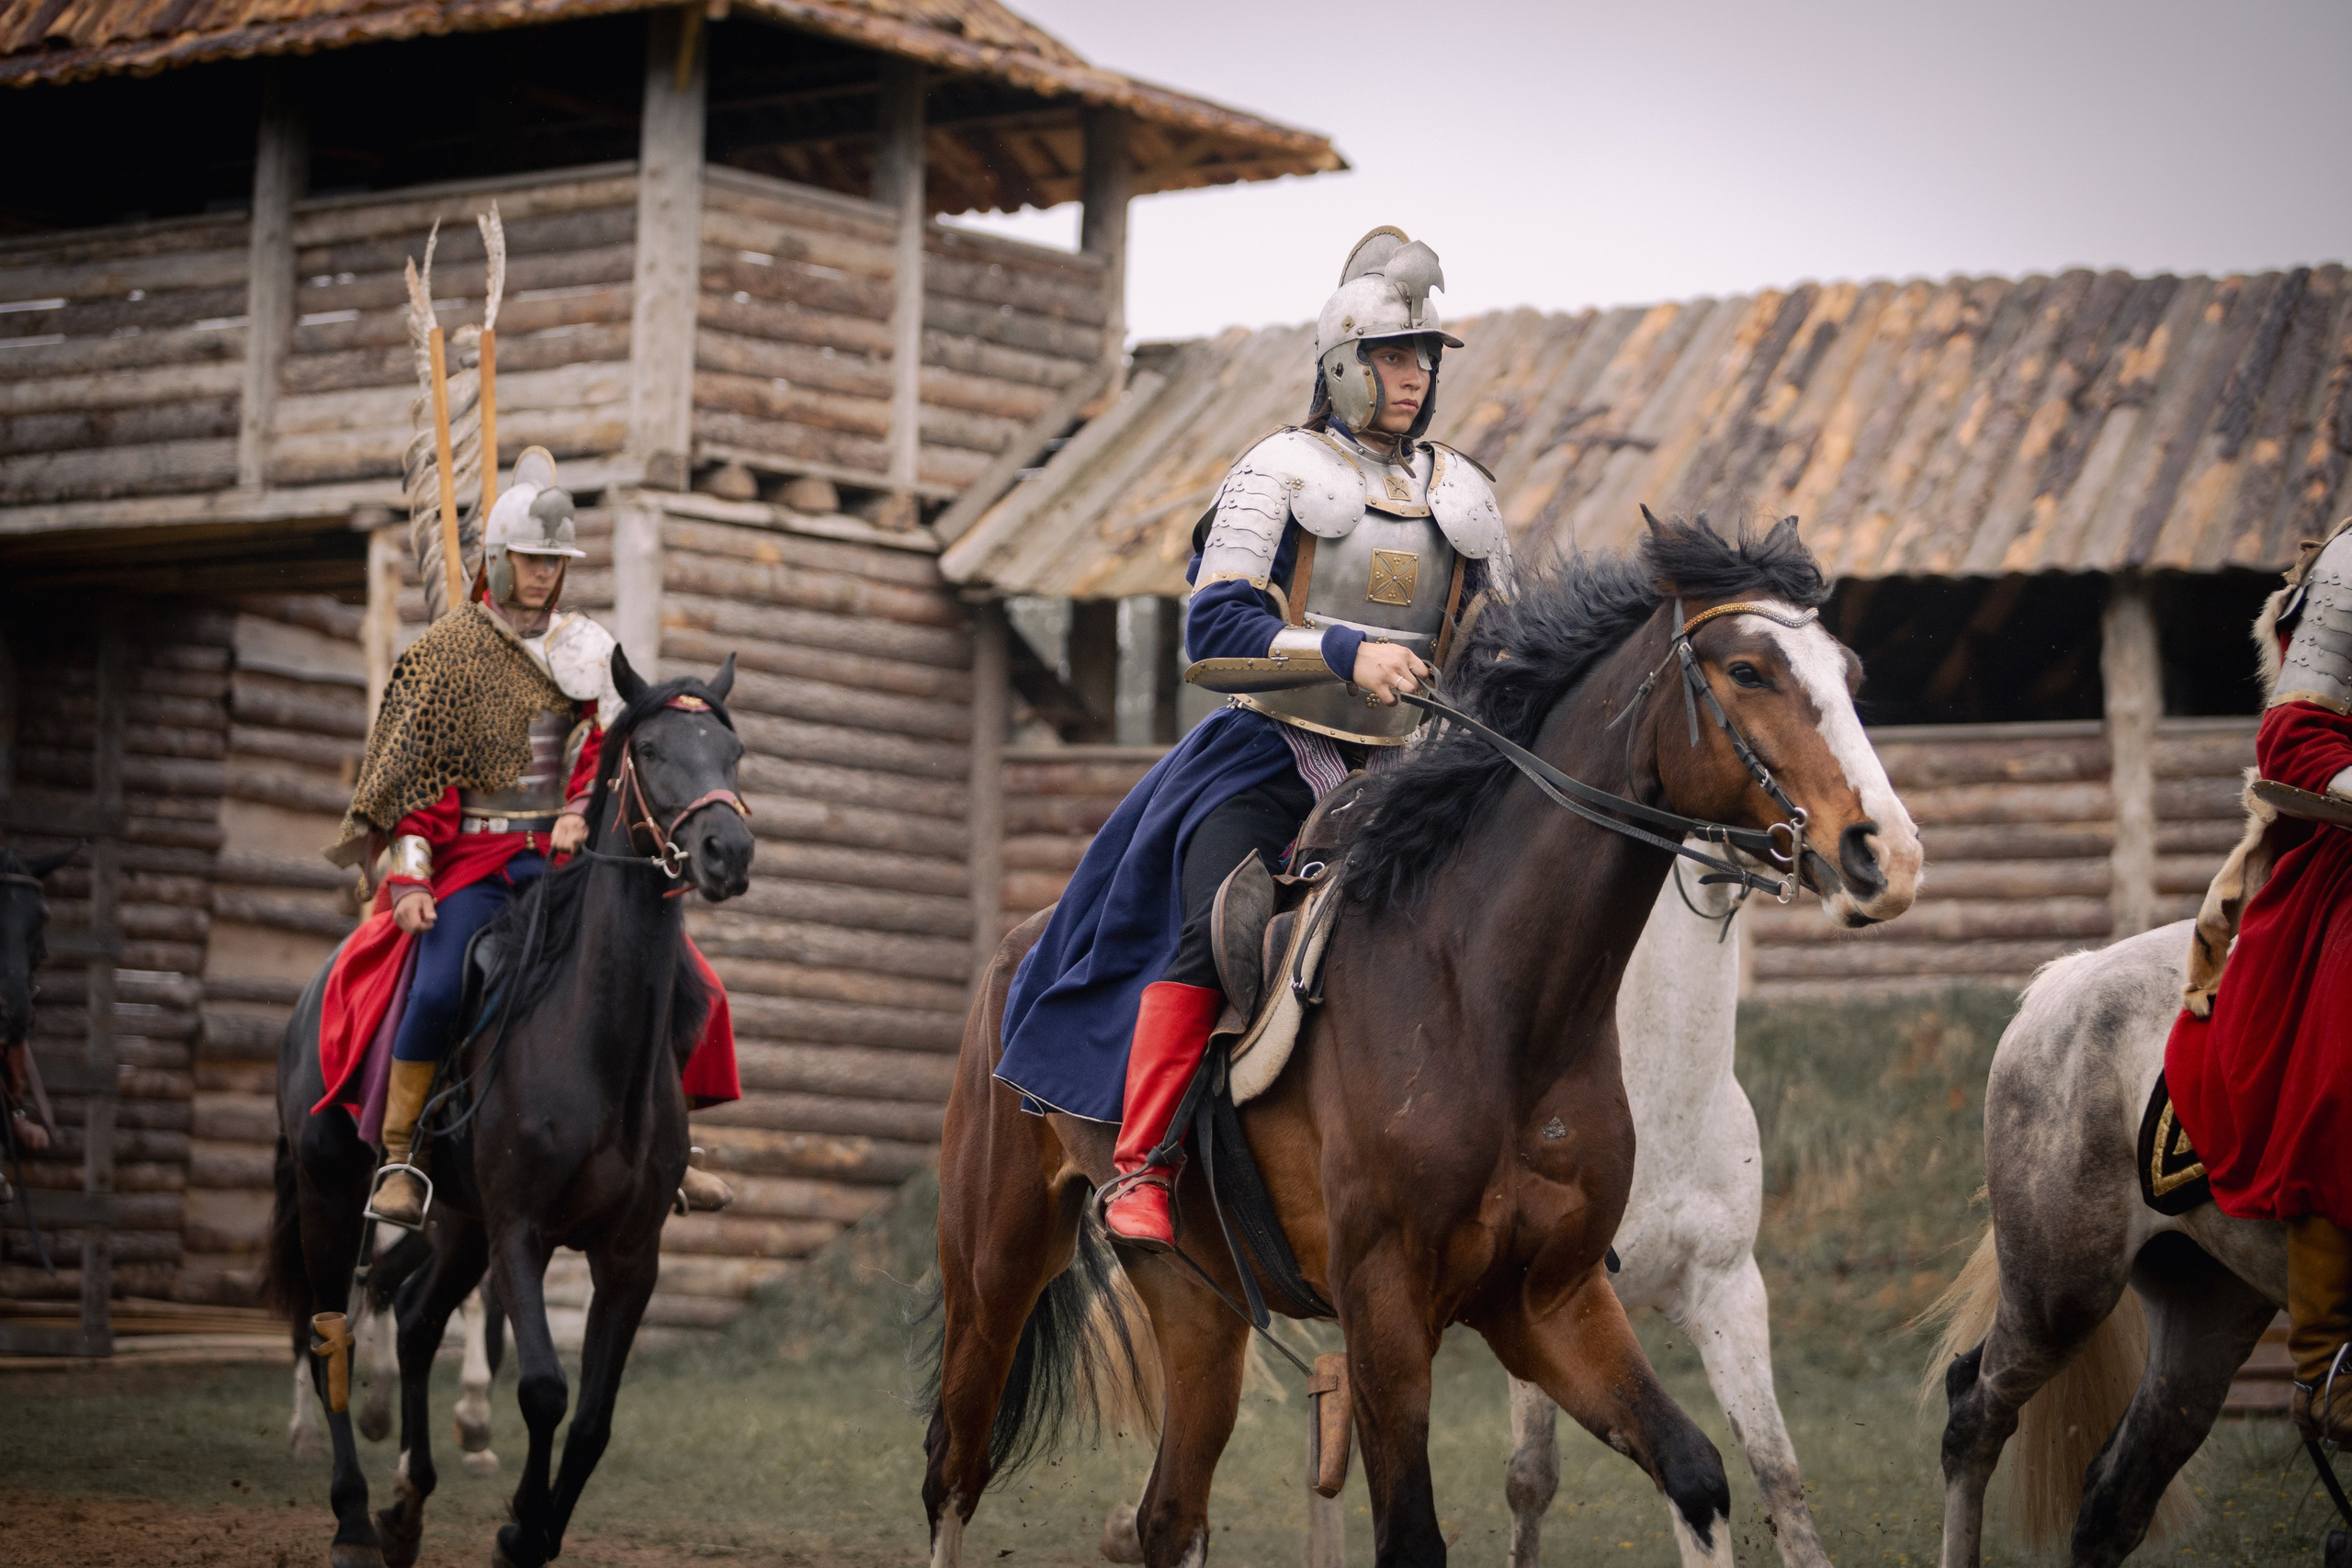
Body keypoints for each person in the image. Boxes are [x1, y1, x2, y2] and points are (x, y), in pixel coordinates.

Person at [993, 229, 1512, 1250]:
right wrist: (1346, 650)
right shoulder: (1278, 472)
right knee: (1221, 929)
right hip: (1271, 753)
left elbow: (1499, 647)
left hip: (1407, 770)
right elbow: (1212, 636)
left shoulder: (1465, 495)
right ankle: (1142, 1166)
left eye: (1425, 359)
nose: (1413, 377)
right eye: (1394, 357)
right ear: (1343, 368)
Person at [314, 449, 739, 1227]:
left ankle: (672, 1146)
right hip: (472, 863)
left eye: (555, 561)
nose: (545, 575)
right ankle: (405, 1153)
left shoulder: (588, 649)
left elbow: (608, 753)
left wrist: (581, 805)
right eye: (532, 560)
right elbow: (417, 787)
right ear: (499, 561)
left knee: (683, 976)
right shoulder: (447, 657)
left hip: (566, 863)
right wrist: (409, 882)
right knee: (439, 985)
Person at [2168, 511, 2352, 1444]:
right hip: (2348, 861)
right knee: (2343, 1069)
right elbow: (2292, 739)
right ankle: (2327, 1366)